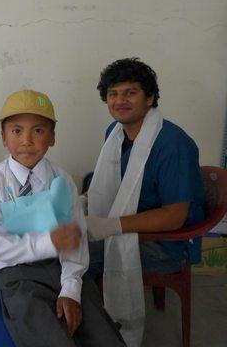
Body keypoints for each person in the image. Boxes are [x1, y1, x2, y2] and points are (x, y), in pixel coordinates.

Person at [0, 90, 125, 347]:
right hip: (18, 276)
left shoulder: (62, 181)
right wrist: (50, 242)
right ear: (3, 137)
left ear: (52, 137)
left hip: (63, 267)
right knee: (48, 335)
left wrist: (70, 289)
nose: (26, 141)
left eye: (38, 131)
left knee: (103, 335)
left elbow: (75, 240)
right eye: (16, 131)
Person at [84, 58, 205, 346]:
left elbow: (175, 216)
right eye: (113, 94)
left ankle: (104, 334)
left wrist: (110, 225)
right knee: (67, 242)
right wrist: (83, 201)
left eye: (130, 92)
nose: (120, 101)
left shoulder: (173, 144)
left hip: (168, 246)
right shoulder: (113, 135)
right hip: (137, 230)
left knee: (73, 254)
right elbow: (118, 186)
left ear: (150, 98)